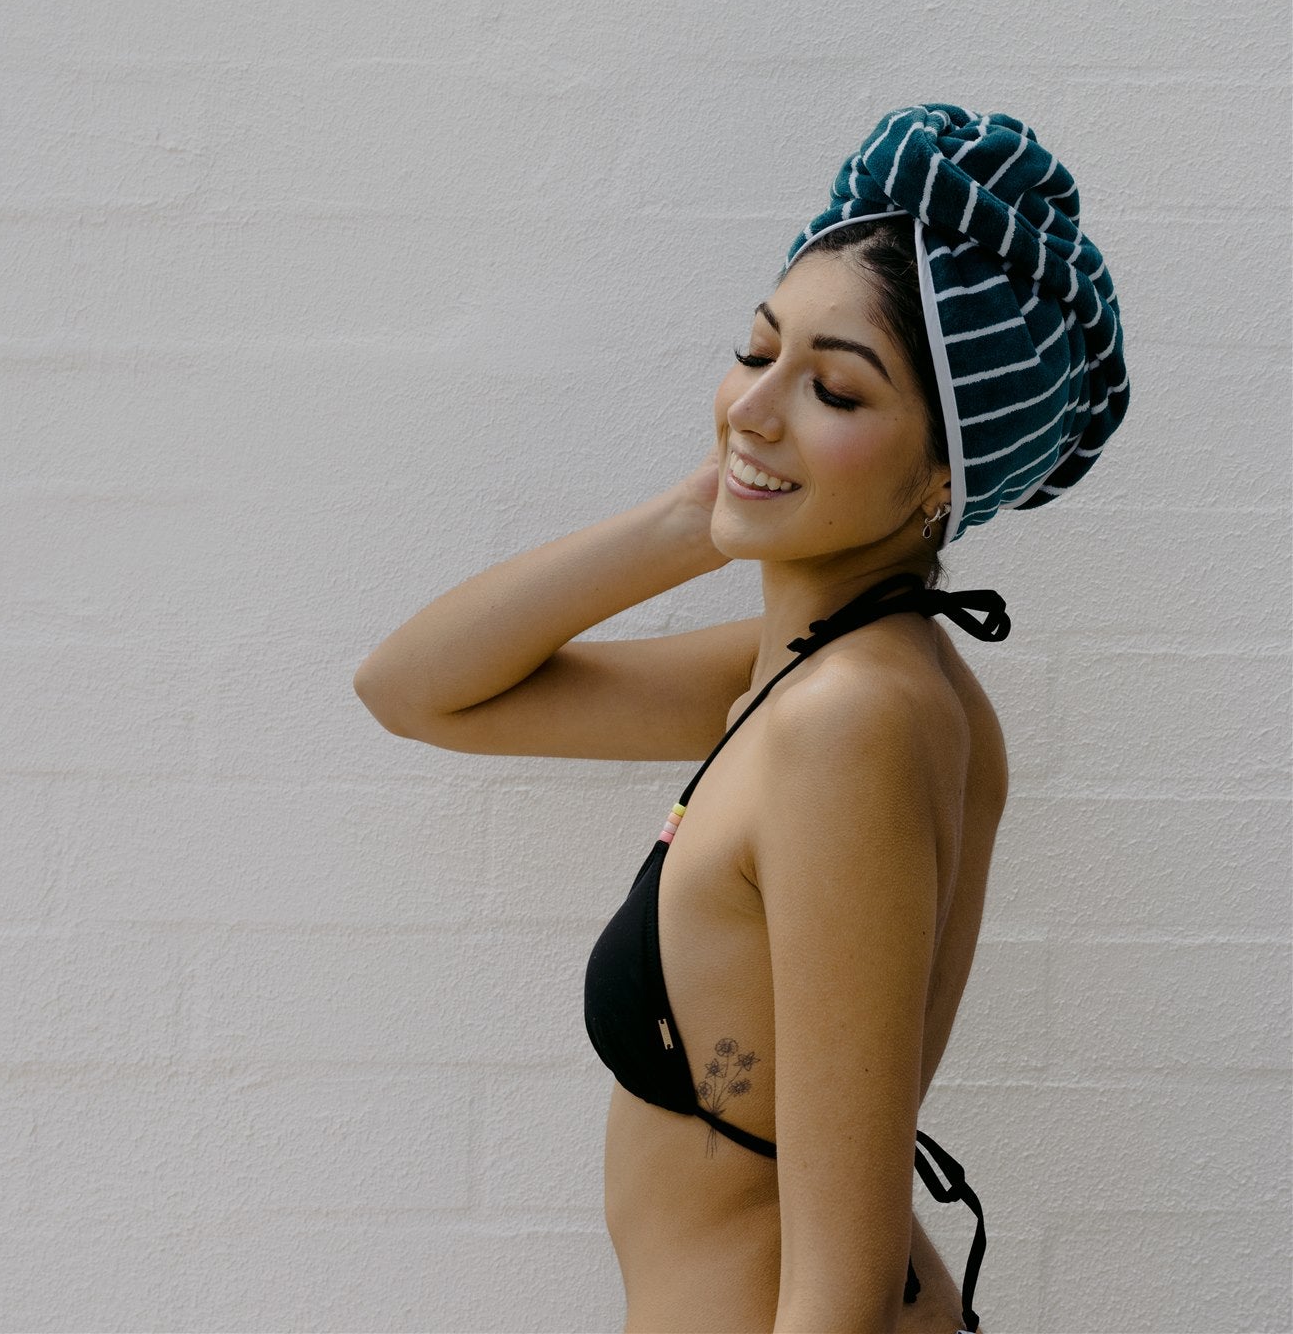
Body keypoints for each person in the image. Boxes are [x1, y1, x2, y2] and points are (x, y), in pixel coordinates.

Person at [354, 104, 1130, 1334]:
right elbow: (415, 688)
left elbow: (841, 1281)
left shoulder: (850, 720)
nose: (755, 405)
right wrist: (696, 504)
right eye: (754, 349)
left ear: (945, 474)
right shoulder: (813, 671)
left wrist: (736, 478)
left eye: (829, 385)